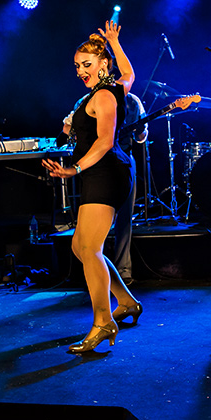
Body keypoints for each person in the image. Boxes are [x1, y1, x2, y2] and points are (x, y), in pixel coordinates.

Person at [43, 21, 142, 354]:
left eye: (86, 64)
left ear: (103, 65)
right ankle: (126, 302)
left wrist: (74, 168)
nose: (80, 71)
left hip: (106, 173)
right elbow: (129, 74)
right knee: (81, 247)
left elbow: (105, 141)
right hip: (99, 173)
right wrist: (114, 41)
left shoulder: (104, 95)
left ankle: (103, 322)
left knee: (90, 250)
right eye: (77, 66)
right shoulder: (112, 89)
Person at [64, 92, 147, 283]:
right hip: (97, 164)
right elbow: (68, 128)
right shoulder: (85, 100)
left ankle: (123, 270)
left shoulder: (132, 101)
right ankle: (96, 268)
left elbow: (141, 138)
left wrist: (141, 130)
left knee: (124, 217)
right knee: (91, 224)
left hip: (123, 160)